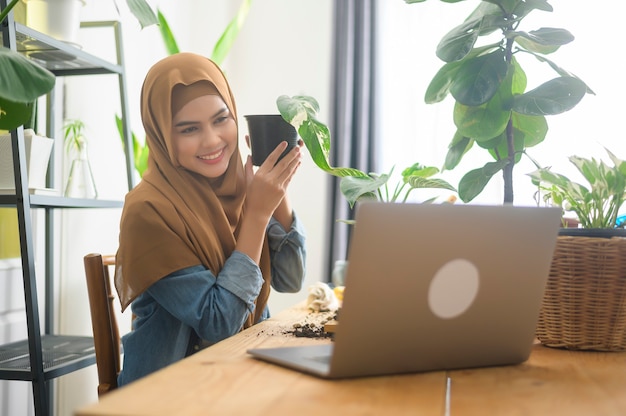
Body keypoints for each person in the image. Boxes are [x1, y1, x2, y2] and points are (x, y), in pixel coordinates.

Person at [114, 52, 306, 386]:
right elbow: (219, 323)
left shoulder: (238, 189)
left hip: (239, 377)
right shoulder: (149, 210)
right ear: (161, 136)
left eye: (221, 120)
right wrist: (258, 214)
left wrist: (277, 189)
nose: (212, 140)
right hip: (167, 396)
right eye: (189, 129)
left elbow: (291, 278)